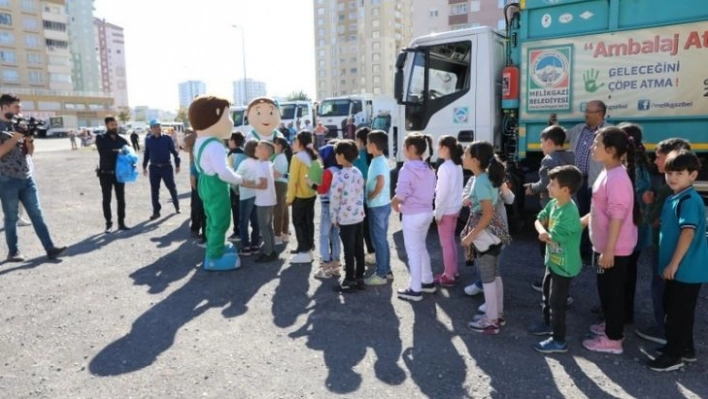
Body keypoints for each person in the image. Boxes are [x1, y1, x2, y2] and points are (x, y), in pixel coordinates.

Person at [647, 150, 708, 372]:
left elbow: (687, 233)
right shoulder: (676, 197)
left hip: (685, 269)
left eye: (679, 173)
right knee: (680, 310)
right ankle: (685, 348)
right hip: (681, 269)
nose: (672, 177)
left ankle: (673, 356)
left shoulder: (689, 200)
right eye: (670, 172)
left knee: (675, 313)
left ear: (693, 175)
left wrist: (673, 264)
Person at [581, 127, 638, 355]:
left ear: (611, 150)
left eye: (596, 144)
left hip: (614, 248)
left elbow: (617, 215)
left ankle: (613, 340)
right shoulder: (609, 171)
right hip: (606, 246)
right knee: (607, 290)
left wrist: (609, 251)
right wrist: (581, 222)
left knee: (612, 293)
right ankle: (611, 326)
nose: (592, 147)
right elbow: (599, 208)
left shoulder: (617, 177)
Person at [634, 138, 692, 345]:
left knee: (661, 289)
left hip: (665, 249)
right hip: (674, 250)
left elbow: (654, 220)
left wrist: (648, 203)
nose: (656, 162)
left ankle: (663, 329)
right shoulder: (685, 190)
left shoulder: (668, 190)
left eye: (659, 158)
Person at [0, 93, 67, 262]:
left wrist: (29, 140)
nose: (19, 111)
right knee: (11, 217)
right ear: (4, 107)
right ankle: (13, 252)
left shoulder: (19, 125)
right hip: (6, 178)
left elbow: (29, 153)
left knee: (37, 213)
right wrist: (16, 136)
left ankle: (50, 248)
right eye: (16, 108)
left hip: (26, 176)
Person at [529, 165, 584, 354]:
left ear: (566, 190)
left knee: (557, 304)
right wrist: (543, 231)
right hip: (552, 262)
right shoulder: (554, 204)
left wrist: (544, 233)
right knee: (547, 295)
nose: (548, 187)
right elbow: (538, 220)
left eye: (552, 184)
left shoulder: (569, 212)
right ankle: (547, 324)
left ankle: (559, 340)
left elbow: (554, 236)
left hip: (565, 267)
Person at [461, 141, 511, 334]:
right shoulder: (487, 177)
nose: (462, 156)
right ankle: (497, 314)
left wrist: (470, 236)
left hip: (486, 233)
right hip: (496, 232)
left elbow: (487, 213)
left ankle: (491, 321)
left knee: (488, 276)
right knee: (495, 274)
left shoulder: (481, 180)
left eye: (465, 153)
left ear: (475, 160)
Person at [524, 125, 575, 292]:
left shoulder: (548, 160)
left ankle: (553, 286)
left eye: (541, 142)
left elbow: (545, 184)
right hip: (567, 208)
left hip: (551, 210)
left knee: (549, 249)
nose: (540, 146)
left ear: (550, 142)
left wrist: (532, 187)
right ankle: (562, 286)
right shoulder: (571, 156)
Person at [392, 134, 437, 302]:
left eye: (404, 146)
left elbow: (401, 192)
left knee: (413, 252)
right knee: (420, 247)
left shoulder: (407, 168)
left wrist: (394, 202)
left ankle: (415, 289)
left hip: (412, 215)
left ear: (411, 149)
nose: (403, 150)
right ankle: (427, 281)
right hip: (426, 213)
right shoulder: (429, 169)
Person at [617, 123, 653, 326]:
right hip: (637, 229)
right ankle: (623, 310)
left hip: (631, 231)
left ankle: (622, 312)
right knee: (629, 272)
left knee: (625, 274)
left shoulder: (633, 170)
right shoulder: (639, 165)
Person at [566, 100, 610, 260]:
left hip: (593, 181)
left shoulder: (608, 132)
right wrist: (553, 125)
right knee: (574, 213)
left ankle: (586, 253)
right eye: (585, 111)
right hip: (575, 180)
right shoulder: (579, 128)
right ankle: (576, 250)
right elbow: (562, 135)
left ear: (600, 114)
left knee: (590, 215)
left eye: (589, 112)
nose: (585, 114)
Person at [330, 140, 367, 292]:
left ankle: (349, 279)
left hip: (345, 218)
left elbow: (335, 198)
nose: (336, 157)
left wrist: (334, 217)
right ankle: (359, 277)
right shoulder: (357, 172)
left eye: (337, 154)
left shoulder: (338, 175)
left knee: (348, 249)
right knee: (359, 246)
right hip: (358, 215)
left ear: (341, 156)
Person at [433, 135, 464, 287]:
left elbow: (441, 193)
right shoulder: (457, 166)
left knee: (446, 243)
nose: (437, 150)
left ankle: (449, 275)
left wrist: (437, 213)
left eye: (439, 147)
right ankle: (453, 271)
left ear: (445, 149)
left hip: (445, 210)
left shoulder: (444, 167)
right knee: (451, 241)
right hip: (455, 208)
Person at [241, 141, 278, 263]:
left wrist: (246, 184)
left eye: (259, 147)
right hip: (269, 199)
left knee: (264, 227)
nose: (256, 149)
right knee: (268, 227)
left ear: (265, 151)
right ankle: (271, 250)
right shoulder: (267, 163)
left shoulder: (261, 165)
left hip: (264, 201)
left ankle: (268, 253)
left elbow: (262, 185)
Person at [364, 130, 392, 286]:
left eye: (368, 143)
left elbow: (380, 181)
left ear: (373, 145)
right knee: (381, 240)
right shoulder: (380, 159)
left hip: (378, 206)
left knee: (379, 240)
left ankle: (381, 274)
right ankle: (386, 270)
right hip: (383, 205)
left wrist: (371, 196)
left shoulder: (377, 162)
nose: (367, 146)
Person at [287, 131, 319, 263]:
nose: (292, 144)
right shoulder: (313, 156)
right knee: (308, 222)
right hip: (311, 194)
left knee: (298, 223)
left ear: (300, 143)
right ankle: (308, 248)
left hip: (300, 196)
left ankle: (303, 251)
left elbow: (293, 180)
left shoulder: (297, 157)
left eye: (294, 142)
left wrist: (289, 198)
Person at [95, 116, 130, 233]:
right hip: (105, 174)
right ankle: (108, 224)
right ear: (107, 125)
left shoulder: (122, 140)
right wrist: (119, 151)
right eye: (112, 125)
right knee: (107, 199)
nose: (115, 127)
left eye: (116, 124)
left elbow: (129, 153)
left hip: (119, 174)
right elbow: (104, 152)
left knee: (121, 199)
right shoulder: (100, 138)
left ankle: (121, 223)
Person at [313, 142, 342, 278]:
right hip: (338, 205)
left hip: (326, 204)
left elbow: (322, 189)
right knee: (335, 235)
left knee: (324, 235)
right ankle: (336, 265)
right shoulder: (339, 170)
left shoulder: (327, 171)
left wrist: (312, 184)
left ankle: (325, 266)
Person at [142, 119, 181, 220]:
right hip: (154, 168)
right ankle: (156, 212)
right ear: (151, 129)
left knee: (171, 187)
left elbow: (174, 152)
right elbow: (146, 154)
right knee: (154, 191)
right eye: (155, 127)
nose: (157, 128)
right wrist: (144, 166)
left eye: (158, 126)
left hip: (166, 167)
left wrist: (177, 165)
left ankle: (177, 206)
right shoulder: (148, 140)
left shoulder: (167, 138)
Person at [352, 127, 376, 265]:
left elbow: (361, 178)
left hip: (361, 199)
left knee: (362, 229)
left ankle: (366, 255)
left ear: (361, 140)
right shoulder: (374, 155)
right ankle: (372, 252)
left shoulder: (360, 155)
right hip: (374, 197)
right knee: (371, 228)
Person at [235, 140, 261, 256]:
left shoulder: (244, 163)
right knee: (256, 222)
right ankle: (255, 245)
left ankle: (245, 247)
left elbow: (236, 179)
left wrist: (235, 190)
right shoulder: (261, 163)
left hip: (245, 195)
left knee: (243, 222)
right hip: (258, 195)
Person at [184, 132, 206, 246]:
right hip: (196, 172)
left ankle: (204, 231)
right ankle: (195, 227)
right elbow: (185, 144)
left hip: (204, 174)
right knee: (197, 204)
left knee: (204, 205)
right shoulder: (194, 135)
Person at [273, 137, 291, 245]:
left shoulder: (280, 157)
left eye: (275, 144)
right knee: (284, 209)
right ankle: (284, 234)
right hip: (283, 184)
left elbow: (276, 173)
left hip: (279, 184)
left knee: (278, 209)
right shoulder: (283, 156)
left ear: (279, 146)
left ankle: (278, 235)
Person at [228, 132, 246, 241]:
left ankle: (238, 232)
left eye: (230, 140)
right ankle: (243, 231)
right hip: (247, 185)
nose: (228, 142)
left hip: (235, 187)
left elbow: (229, 171)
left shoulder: (231, 154)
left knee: (236, 210)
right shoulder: (246, 152)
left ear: (233, 141)